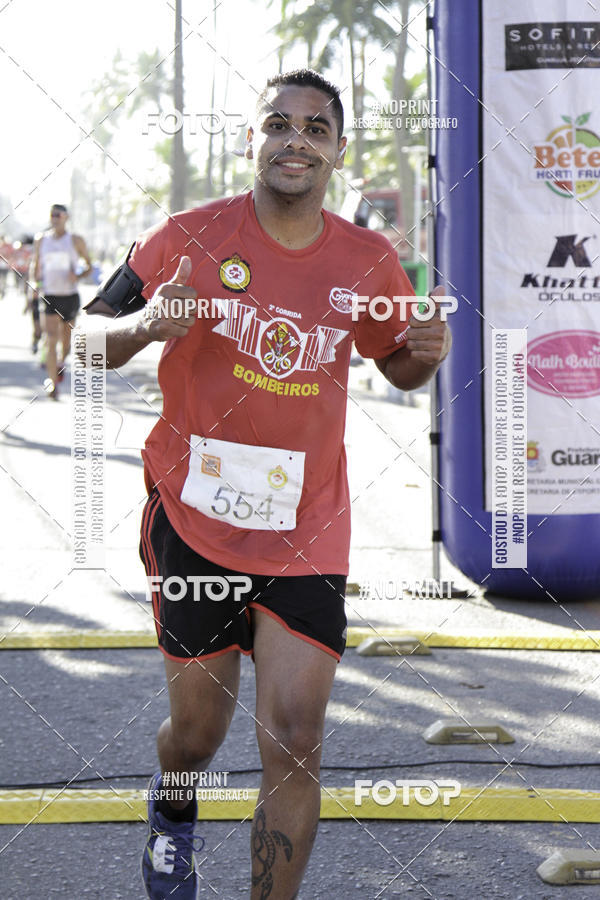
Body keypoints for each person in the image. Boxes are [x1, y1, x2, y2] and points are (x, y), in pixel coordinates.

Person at [85, 69, 452, 899]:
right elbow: (84, 340)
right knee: (197, 734)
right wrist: (145, 325)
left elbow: (395, 361)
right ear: (251, 138)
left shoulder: (367, 258)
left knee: (295, 737)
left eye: (315, 130)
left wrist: (421, 359)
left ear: (338, 154)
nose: (296, 140)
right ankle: (174, 806)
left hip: (307, 525)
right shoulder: (186, 235)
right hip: (194, 518)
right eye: (278, 124)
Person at [29, 204, 92, 398]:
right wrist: (34, 285)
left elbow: (89, 266)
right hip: (50, 295)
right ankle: (53, 383)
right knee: (50, 339)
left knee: (65, 343)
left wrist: (79, 275)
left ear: (66, 217)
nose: (54, 218)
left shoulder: (75, 240)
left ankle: (60, 362)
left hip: (70, 296)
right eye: (52, 214)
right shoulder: (41, 239)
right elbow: (36, 263)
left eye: (58, 214)